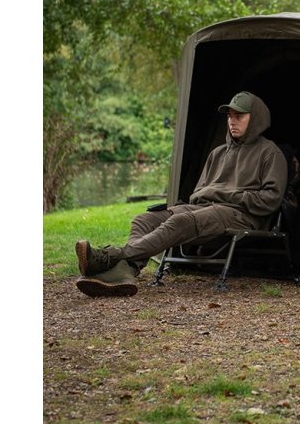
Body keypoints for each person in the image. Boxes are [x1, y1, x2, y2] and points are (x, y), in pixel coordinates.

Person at [75, 91, 288, 297]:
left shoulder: (270, 153)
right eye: (230, 116)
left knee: (180, 222)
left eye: (239, 116)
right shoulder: (217, 153)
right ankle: (125, 271)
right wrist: (212, 195)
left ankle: (110, 256)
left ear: (255, 119)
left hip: (241, 215)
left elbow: (270, 200)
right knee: (143, 220)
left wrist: (226, 195)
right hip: (205, 210)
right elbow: (198, 194)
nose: (232, 121)